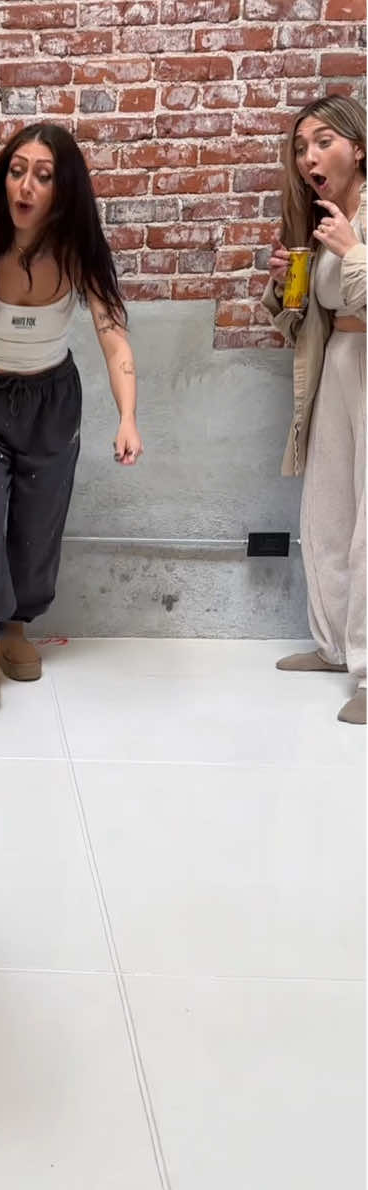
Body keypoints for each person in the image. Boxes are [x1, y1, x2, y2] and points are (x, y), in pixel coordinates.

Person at [0, 122, 143, 712]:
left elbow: (114, 339)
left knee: (37, 523)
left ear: (62, 190)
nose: (25, 186)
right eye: (17, 171)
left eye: (42, 176)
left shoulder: (80, 256)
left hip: (51, 401)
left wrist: (128, 417)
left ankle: (16, 624)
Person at [263, 95, 367, 725]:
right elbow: (307, 318)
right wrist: (284, 285)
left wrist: (353, 248)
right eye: (302, 147)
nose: (309, 157)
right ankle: (334, 646)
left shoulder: (353, 223)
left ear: (358, 146)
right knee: (327, 512)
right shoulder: (325, 218)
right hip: (341, 370)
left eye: (323, 142)